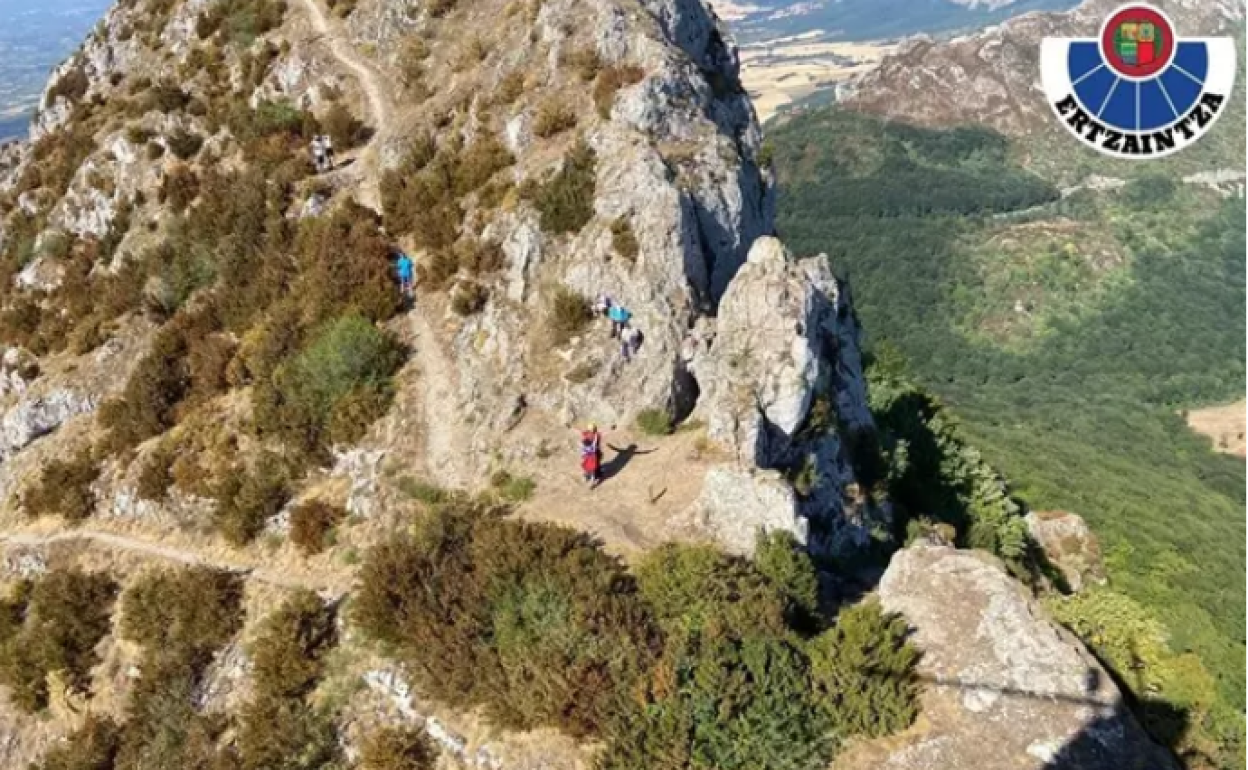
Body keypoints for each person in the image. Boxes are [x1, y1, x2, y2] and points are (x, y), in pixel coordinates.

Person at [580, 423, 603, 488]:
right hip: (592, 457)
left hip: (589, 457)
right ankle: (591, 479)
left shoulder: (584, 447)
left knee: (588, 469)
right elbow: (595, 443)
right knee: (592, 469)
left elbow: (578, 431)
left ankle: (588, 478)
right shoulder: (592, 446)